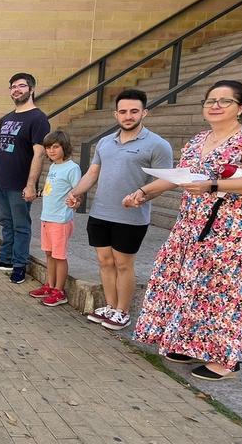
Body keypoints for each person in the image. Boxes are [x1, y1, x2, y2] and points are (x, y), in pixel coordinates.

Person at [128, 80, 242, 381]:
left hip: (231, 229)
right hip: (192, 224)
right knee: (189, 285)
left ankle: (226, 359)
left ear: (241, 108)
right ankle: (189, 343)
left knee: (223, 291)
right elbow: (179, 178)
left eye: (225, 101)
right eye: (210, 100)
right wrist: (143, 193)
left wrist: (214, 185)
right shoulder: (198, 141)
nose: (215, 105)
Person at [66, 88, 174, 331]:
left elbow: (167, 181)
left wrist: (143, 195)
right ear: (116, 114)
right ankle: (111, 306)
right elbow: (93, 172)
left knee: (123, 264)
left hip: (131, 217)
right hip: (100, 213)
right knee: (105, 261)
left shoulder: (158, 145)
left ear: (144, 113)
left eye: (134, 111)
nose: (128, 116)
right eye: (123, 111)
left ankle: (122, 311)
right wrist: (76, 192)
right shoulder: (105, 142)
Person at [0, 72, 50, 283]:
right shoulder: (6, 119)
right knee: (5, 222)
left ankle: (19, 264)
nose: (17, 90)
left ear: (31, 89)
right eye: (13, 86)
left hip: (19, 184)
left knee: (21, 225)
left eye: (21, 86)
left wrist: (31, 184)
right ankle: (5, 258)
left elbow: (39, 153)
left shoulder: (38, 119)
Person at [35, 131, 80, 307]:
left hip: (60, 220)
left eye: (55, 147)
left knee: (59, 256)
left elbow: (78, 190)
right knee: (49, 254)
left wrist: (75, 202)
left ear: (64, 147)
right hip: (47, 217)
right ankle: (49, 284)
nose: (51, 151)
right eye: (48, 147)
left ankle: (59, 291)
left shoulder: (72, 168)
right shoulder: (53, 166)